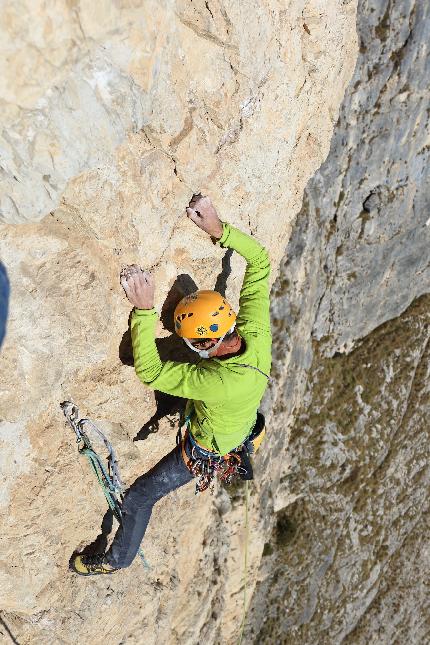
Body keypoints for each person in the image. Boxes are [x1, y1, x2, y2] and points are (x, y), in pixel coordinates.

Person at [71, 195, 272, 575]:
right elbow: (259, 262)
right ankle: (250, 434)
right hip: (238, 410)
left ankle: (116, 560)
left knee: (139, 497)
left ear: (202, 345)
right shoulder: (255, 333)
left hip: (207, 447)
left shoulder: (211, 382)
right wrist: (218, 230)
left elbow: (150, 371)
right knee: (243, 417)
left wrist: (144, 310)